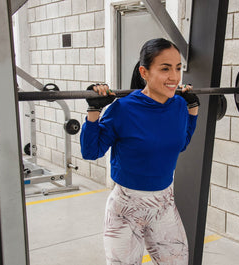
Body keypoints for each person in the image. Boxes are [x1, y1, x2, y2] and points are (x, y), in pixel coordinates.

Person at [80, 38, 199, 265]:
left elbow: (181, 143)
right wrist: (94, 110)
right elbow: (91, 151)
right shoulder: (123, 108)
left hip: (163, 204)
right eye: (165, 69)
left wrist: (193, 108)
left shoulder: (179, 105)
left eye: (178, 68)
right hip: (126, 209)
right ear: (144, 72)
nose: (174, 77)